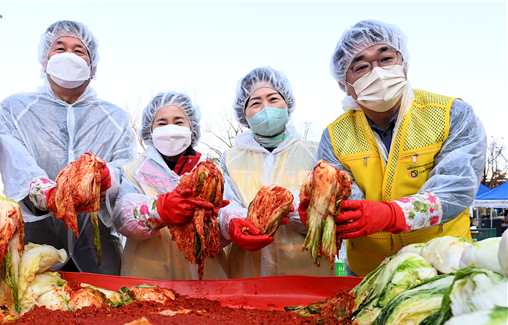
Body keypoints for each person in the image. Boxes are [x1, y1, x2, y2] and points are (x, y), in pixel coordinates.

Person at [304, 20, 486, 277]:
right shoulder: (335, 136)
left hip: (443, 266)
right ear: (344, 85)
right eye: (361, 66)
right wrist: (324, 211)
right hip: (369, 275)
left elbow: (455, 191)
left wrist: (392, 214)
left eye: (386, 58)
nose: (376, 71)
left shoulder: (451, 114)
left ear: (404, 64)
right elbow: (341, 197)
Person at [0, 20, 136, 275]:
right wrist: (50, 194)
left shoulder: (114, 117)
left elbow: (126, 169)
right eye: (60, 48)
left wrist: (108, 178)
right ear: (43, 60)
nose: (69, 55)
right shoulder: (16, 110)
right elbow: (19, 168)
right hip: (36, 244)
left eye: (79, 50)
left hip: (98, 248)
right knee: (36, 306)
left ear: (92, 68)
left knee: (106, 307)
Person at [217, 67, 332, 278]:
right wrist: (234, 221)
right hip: (246, 273)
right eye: (255, 103)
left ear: (287, 104)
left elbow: (329, 208)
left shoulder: (315, 152)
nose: (266, 108)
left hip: (306, 272)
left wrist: (292, 211)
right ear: (244, 114)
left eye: (273, 99)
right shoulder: (230, 158)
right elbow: (224, 206)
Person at [114, 92, 229, 280]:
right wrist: (157, 210)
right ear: (150, 130)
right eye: (162, 123)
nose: (170, 129)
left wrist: (228, 224)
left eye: (178, 122)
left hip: (207, 278)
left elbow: (226, 221)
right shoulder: (132, 172)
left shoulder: (212, 175)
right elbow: (121, 217)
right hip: (149, 277)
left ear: (191, 128)